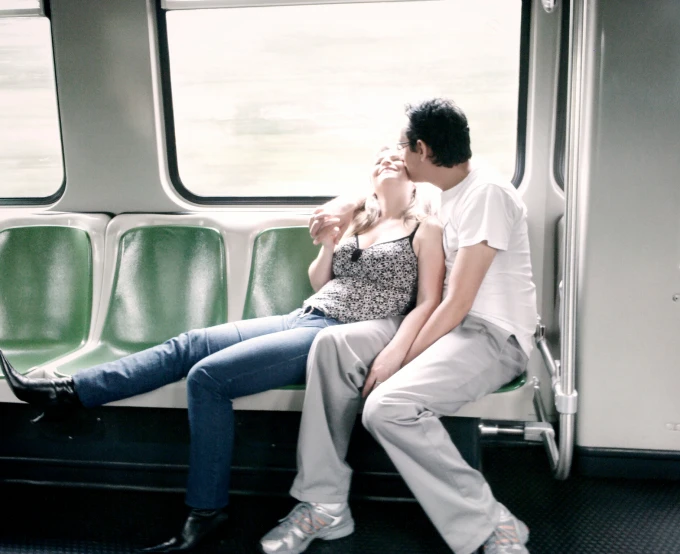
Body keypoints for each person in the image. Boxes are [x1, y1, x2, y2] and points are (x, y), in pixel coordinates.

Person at [0, 146, 445, 553]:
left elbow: (428, 301)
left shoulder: (423, 229)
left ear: (414, 177)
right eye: (380, 157)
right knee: (188, 344)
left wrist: (395, 352)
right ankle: (68, 392)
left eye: (397, 159)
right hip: (306, 315)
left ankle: (206, 512)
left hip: (343, 335)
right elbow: (322, 283)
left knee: (208, 378)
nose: (387, 160)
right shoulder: (362, 220)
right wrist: (330, 244)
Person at [260, 98, 537, 554]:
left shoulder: (486, 194)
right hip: (443, 324)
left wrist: (397, 357)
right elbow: (378, 189)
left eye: (405, 147)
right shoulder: (440, 186)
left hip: (487, 333)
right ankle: (324, 504)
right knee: (331, 346)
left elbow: (457, 303)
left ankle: (493, 524)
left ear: (423, 150)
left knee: (387, 407)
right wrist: (346, 205)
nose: (400, 154)